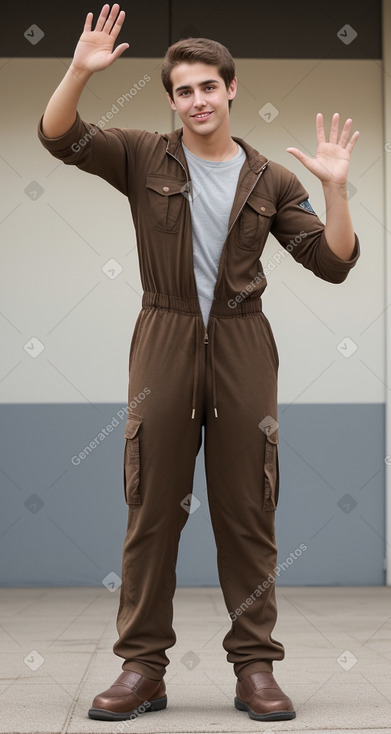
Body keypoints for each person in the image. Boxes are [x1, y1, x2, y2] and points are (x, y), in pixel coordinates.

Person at [37, 3, 360, 723]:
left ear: (231, 88)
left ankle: (254, 669)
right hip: (163, 335)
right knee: (151, 505)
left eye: (208, 86)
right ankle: (141, 669)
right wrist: (79, 71)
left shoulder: (271, 180)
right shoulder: (144, 156)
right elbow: (59, 136)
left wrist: (336, 189)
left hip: (246, 345)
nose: (197, 100)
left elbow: (332, 262)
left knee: (247, 510)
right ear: (172, 101)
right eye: (183, 90)